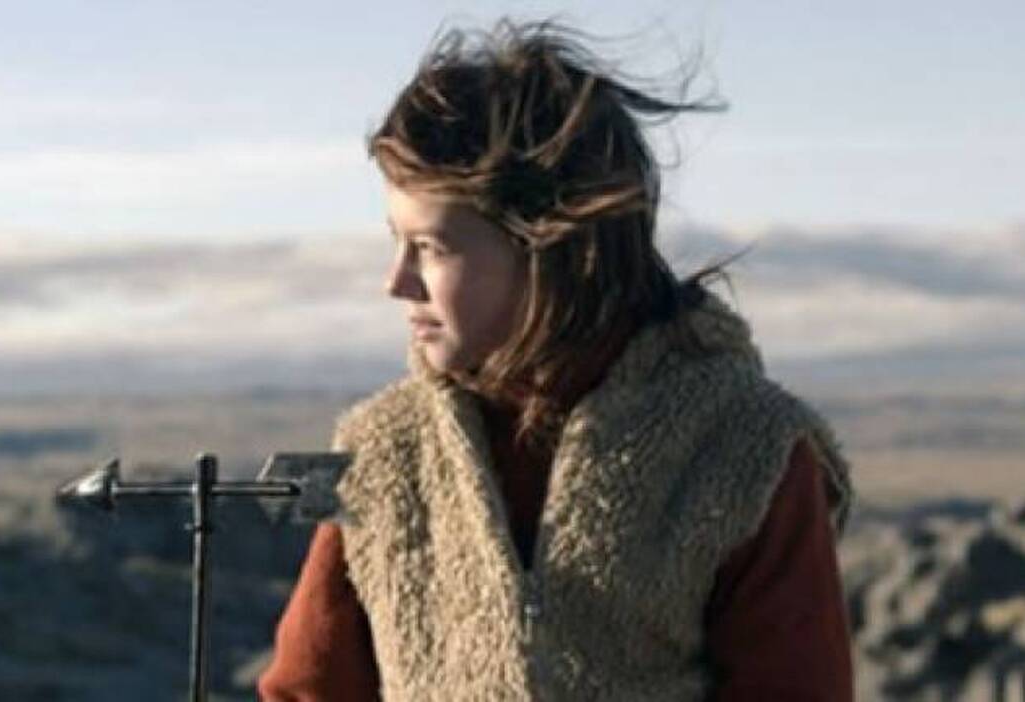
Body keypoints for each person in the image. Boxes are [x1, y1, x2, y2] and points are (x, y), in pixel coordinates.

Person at [259, 18, 855, 702]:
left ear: (551, 246)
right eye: (396, 241)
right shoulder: (382, 451)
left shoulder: (742, 448)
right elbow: (308, 690)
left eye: (431, 247)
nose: (397, 282)